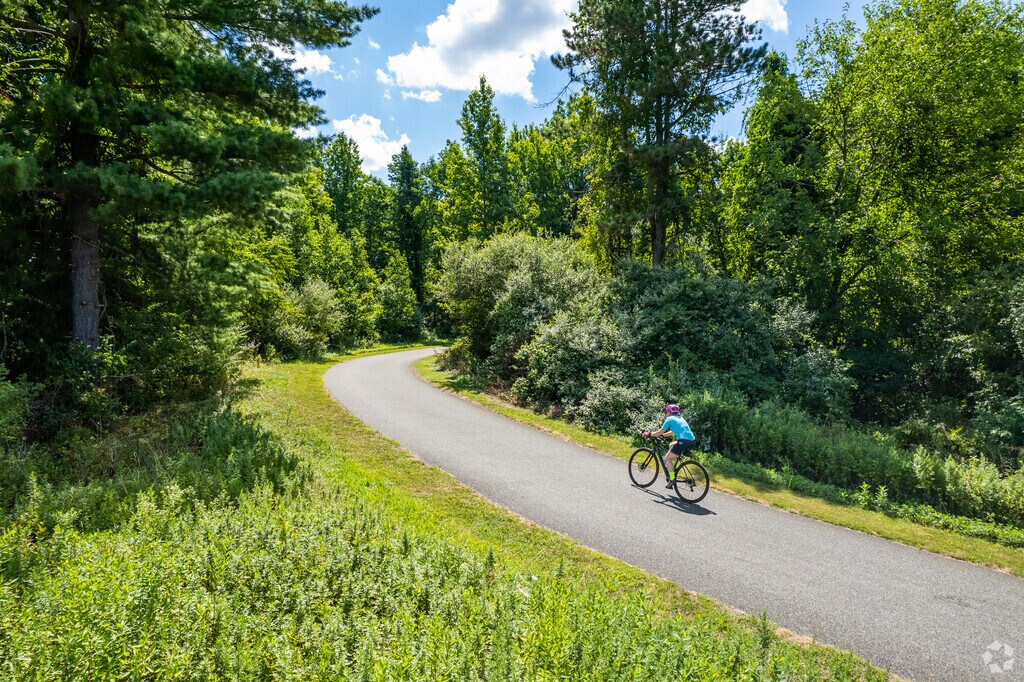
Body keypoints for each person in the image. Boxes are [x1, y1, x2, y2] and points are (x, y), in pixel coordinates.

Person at [643, 404, 696, 488]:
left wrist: (649, 434)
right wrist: (663, 436)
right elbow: (673, 431)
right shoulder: (680, 418)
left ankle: (672, 479)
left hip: (683, 442)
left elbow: (660, 431)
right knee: (671, 445)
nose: (666, 413)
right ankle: (672, 462)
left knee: (667, 459)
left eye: (666, 411)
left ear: (669, 411)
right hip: (692, 441)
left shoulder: (670, 419)